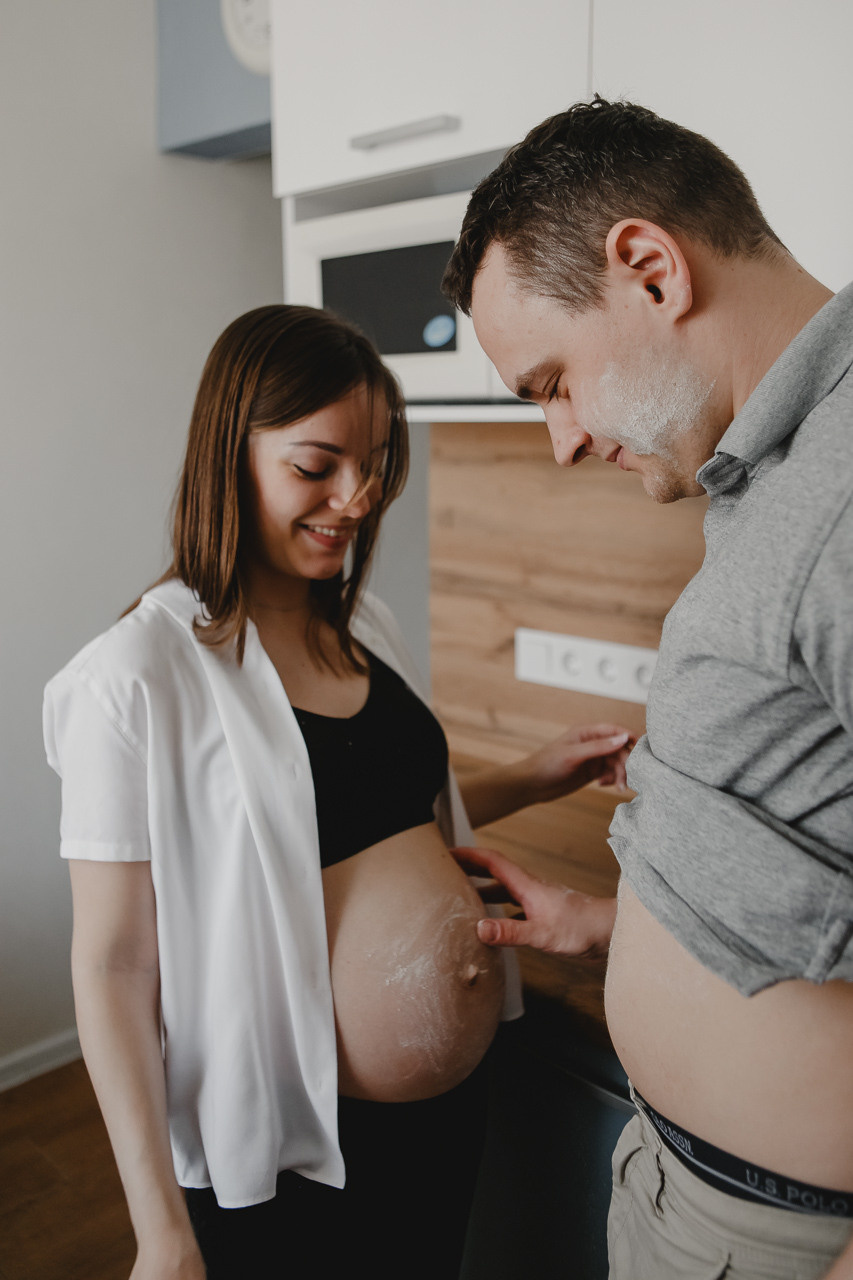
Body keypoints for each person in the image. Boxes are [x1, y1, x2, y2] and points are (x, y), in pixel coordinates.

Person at [43, 303, 634, 1280]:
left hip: (444, 1112)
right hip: (290, 1146)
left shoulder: (366, 626)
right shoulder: (134, 678)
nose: (355, 499)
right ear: (228, 456)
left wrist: (535, 773)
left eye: (375, 462)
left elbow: (368, 815)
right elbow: (111, 964)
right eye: (316, 465)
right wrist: (160, 1231)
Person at [442, 98, 853, 1279]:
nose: (562, 438)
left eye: (552, 382)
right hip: (691, 1185)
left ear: (651, 269)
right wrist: (614, 925)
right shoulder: (771, 476)